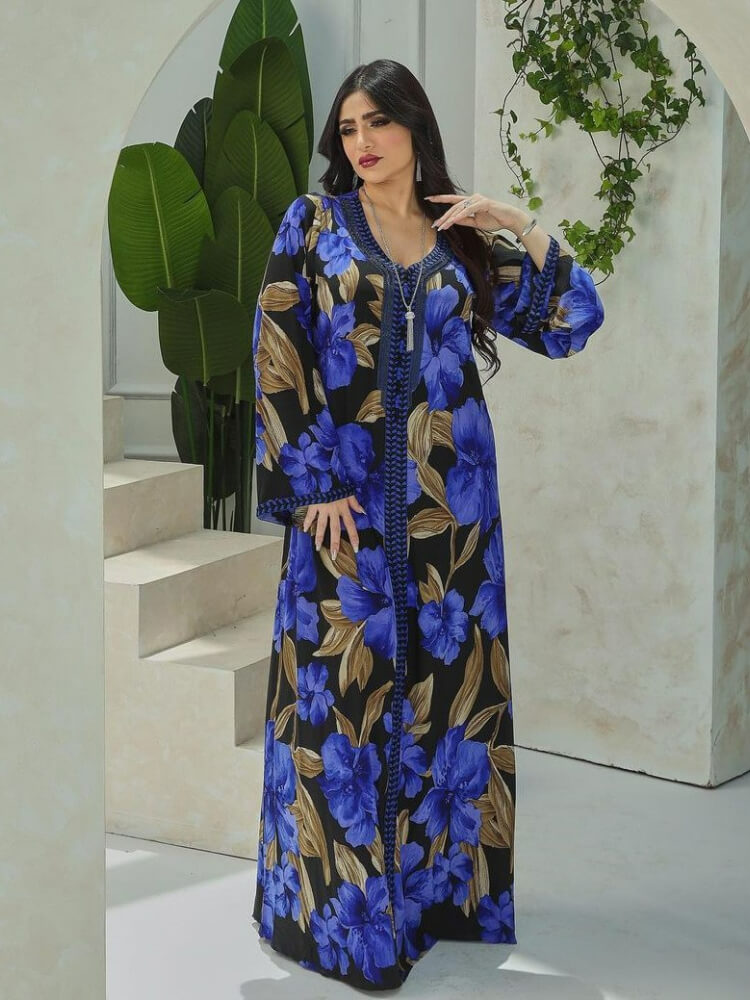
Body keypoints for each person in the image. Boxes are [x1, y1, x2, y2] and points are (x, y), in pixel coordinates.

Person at [251, 58, 604, 991]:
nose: (362, 142)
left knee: (450, 704)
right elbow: (278, 345)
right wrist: (312, 481)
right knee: (342, 710)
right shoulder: (315, 224)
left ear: (415, 127)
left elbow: (573, 318)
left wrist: (515, 222)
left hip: (456, 521)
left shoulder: (462, 239)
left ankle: (439, 902)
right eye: (349, 128)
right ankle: (346, 928)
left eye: (378, 122)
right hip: (349, 515)